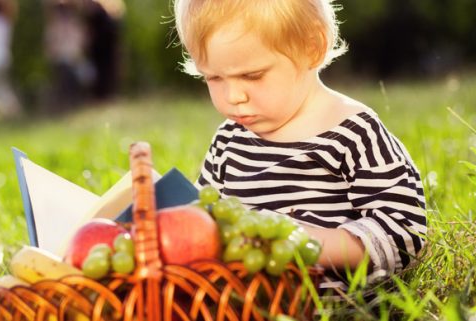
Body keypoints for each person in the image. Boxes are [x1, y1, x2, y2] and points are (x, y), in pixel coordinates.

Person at [173, 0, 427, 303]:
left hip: (334, 309)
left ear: (312, 47)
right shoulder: (229, 140)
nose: (233, 96)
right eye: (213, 78)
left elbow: (405, 233)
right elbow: (206, 220)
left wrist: (304, 241)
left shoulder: (354, 133)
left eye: (252, 76)